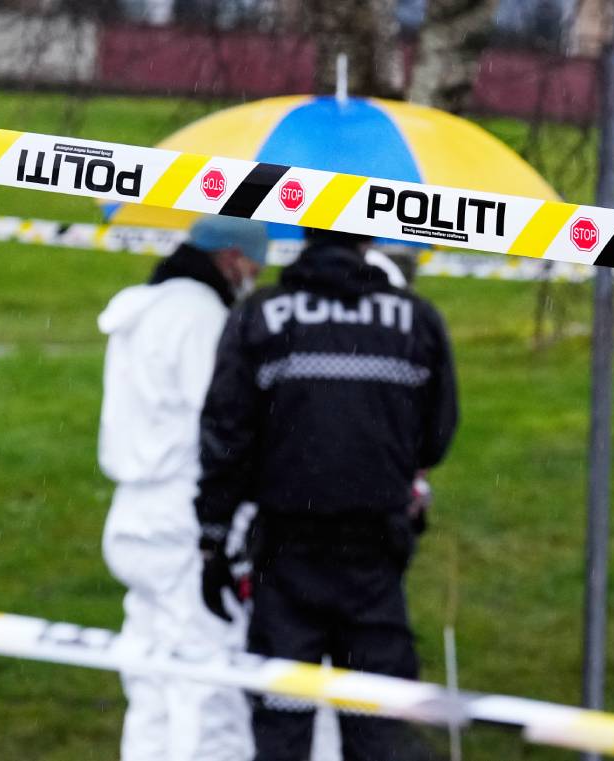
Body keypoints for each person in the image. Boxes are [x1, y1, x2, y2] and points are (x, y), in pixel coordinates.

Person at [194, 227, 459, 761]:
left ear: (304, 231)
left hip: (285, 555)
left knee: (282, 726)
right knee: (377, 728)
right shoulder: (416, 318)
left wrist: (213, 538)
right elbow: (436, 434)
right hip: (375, 554)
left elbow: (226, 435)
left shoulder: (259, 316)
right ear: (369, 236)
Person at [98, 215, 268, 761]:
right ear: (232, 258)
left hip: (132, 515)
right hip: (181, 519)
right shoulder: (202, 318)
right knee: (208, 679)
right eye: (255, 266)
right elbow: (222, 423)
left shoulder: (143, 307)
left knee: (148, 675)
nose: (255, 278)